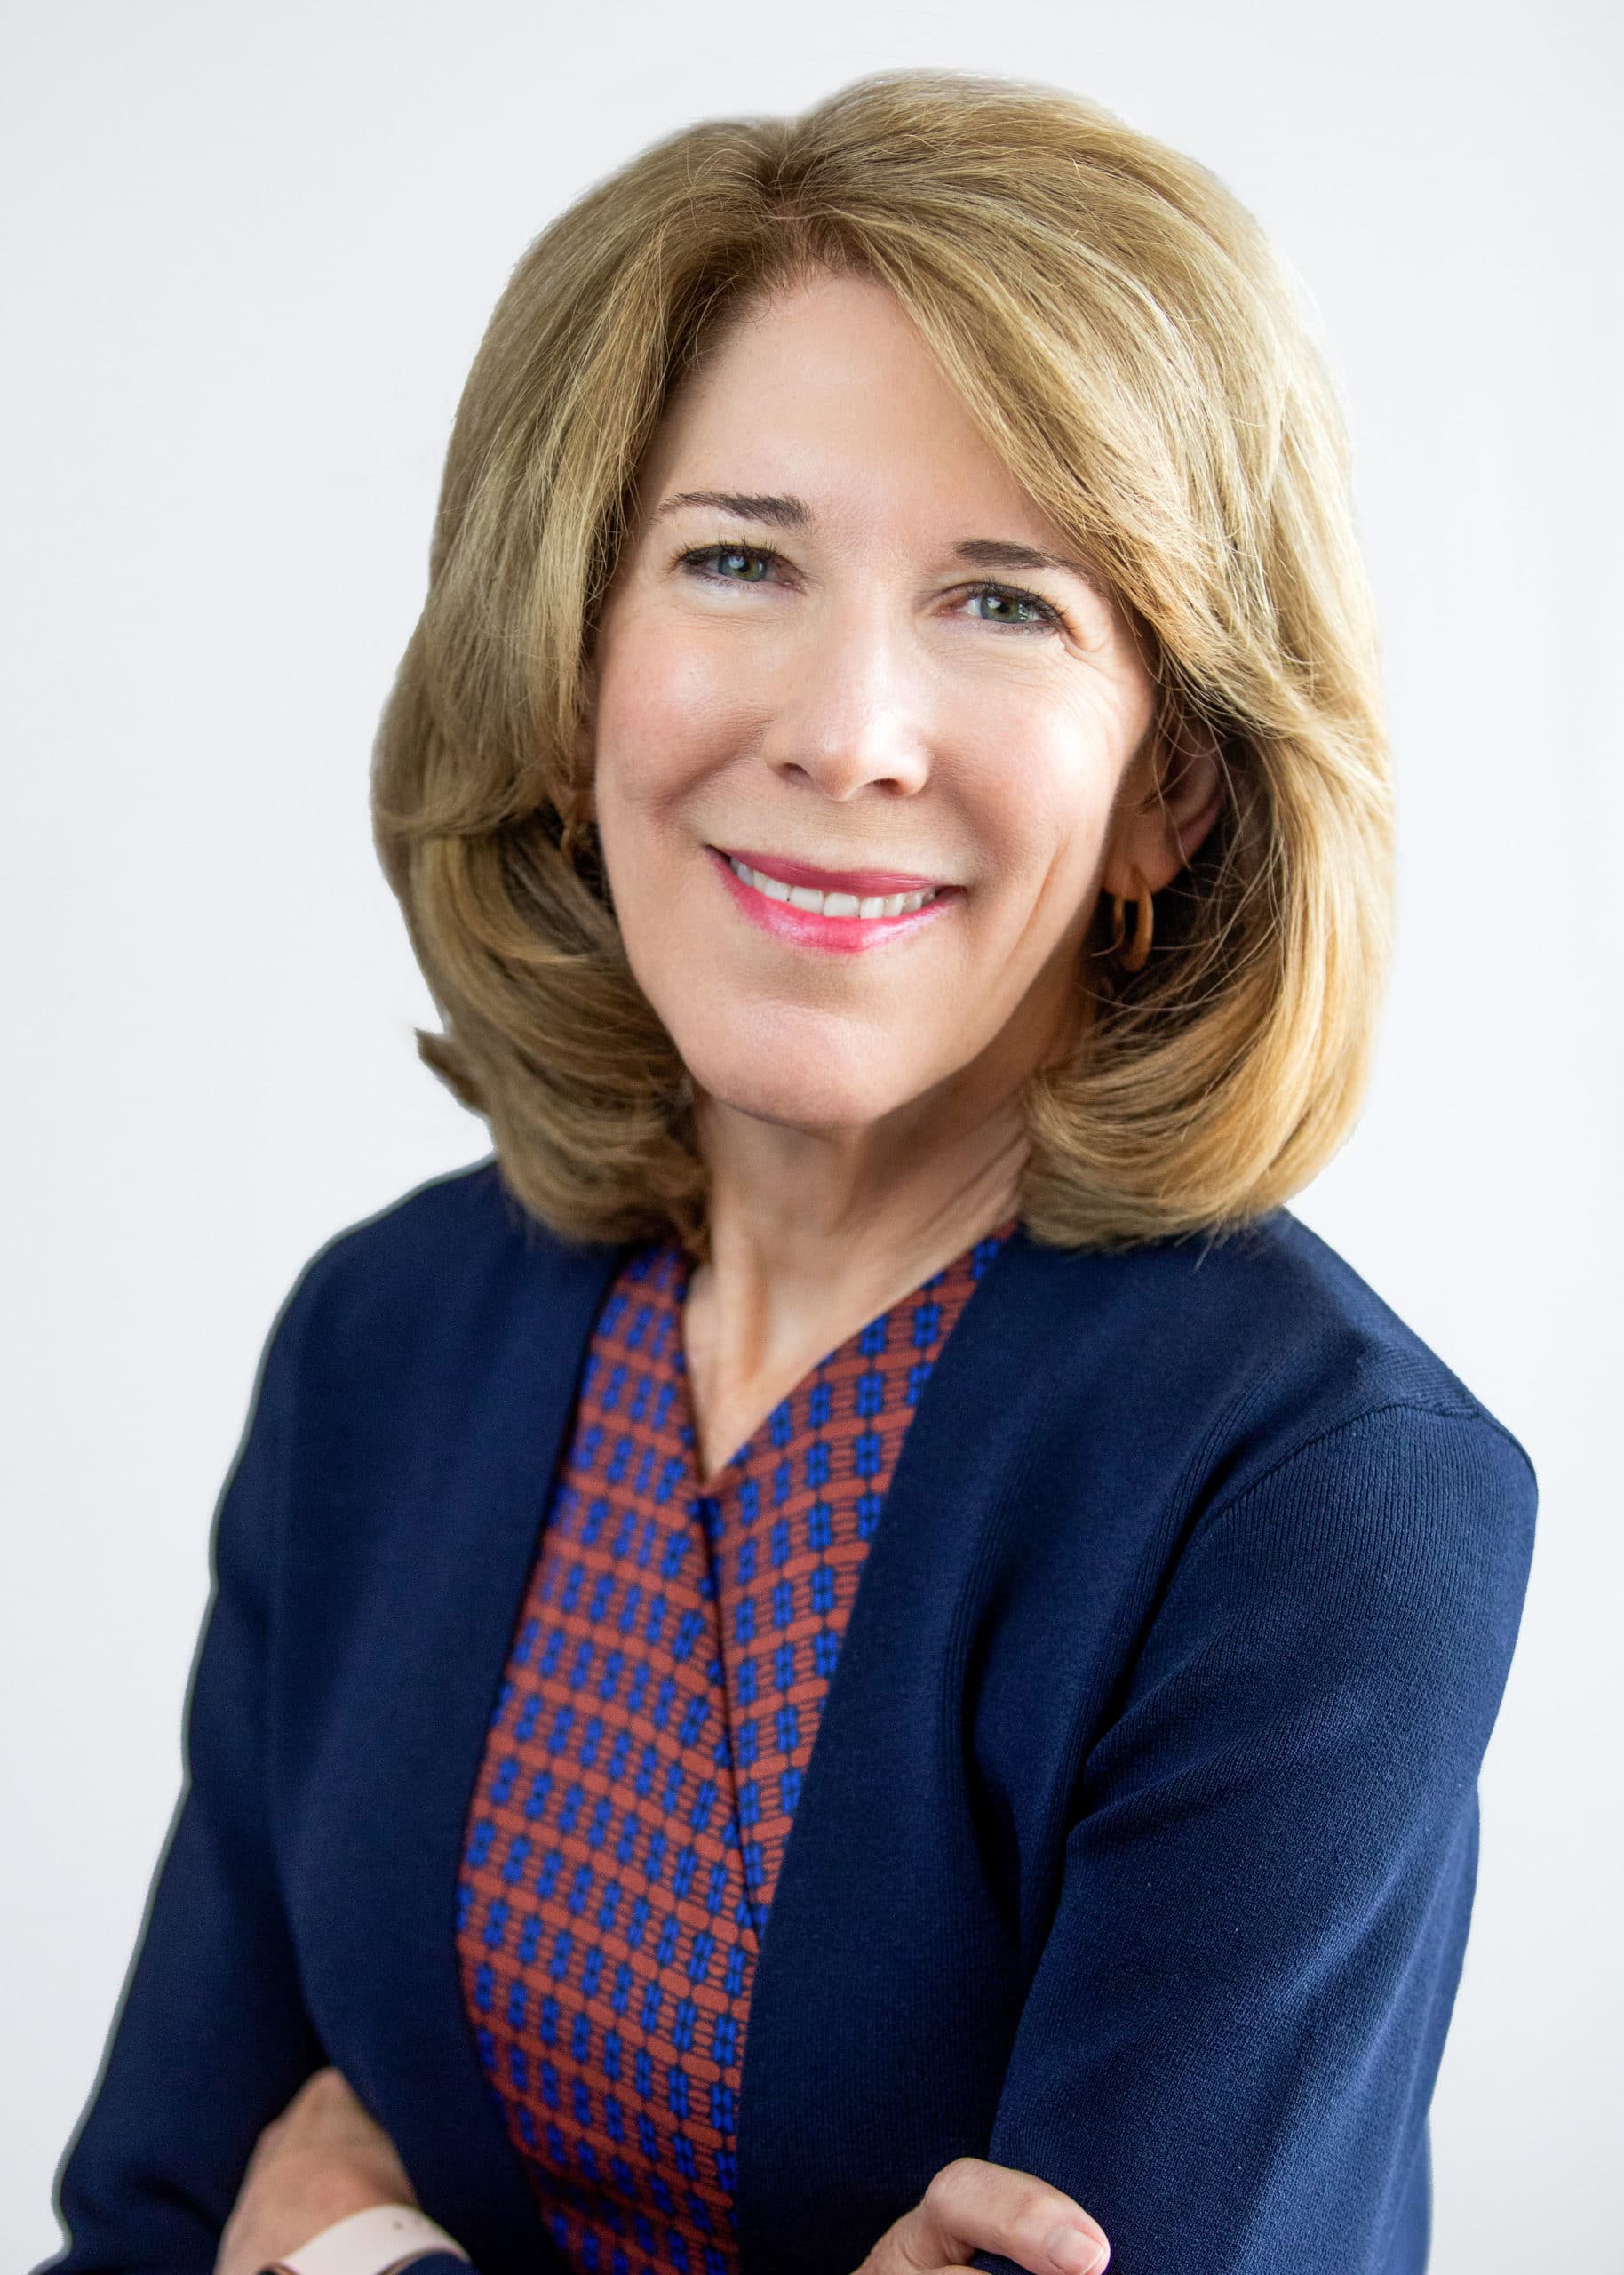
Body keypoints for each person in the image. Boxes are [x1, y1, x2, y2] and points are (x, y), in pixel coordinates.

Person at [37, 67, 1537, 2275]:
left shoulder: (1318, 1500)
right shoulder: (381, 1342)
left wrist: (359, 2258)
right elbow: (150, 2229)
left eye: (1002, 603)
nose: (843, 731)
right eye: (736, 560)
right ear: (569, 672)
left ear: (1172, 790)